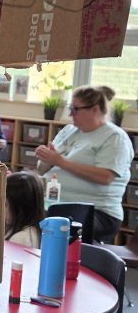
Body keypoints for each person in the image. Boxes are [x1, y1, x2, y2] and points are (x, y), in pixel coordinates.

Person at [35, 85, 134, 244]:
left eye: (75, 109)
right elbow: (41, 170)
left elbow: (106, 177)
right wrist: (46, 159)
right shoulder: (69, 130)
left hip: (97, 211)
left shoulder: (115, 137)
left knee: (52, 227)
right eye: (70, 108)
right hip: (54, 203)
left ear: (94, 109)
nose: (70, 114)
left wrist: (60, 161)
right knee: (18, 214)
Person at [5, 170, 45, 246]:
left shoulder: (20, 238)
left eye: (5, 205)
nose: (2, 210)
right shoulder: (35, 230)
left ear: (20, 209)